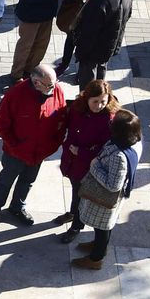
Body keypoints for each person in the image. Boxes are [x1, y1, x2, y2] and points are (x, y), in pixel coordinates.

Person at [0, 65, 68, 228]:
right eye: (49, 85)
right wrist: (14, 144)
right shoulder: (15, 95)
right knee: (5, 182)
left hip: (39, 153)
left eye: (54, 83)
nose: (53, 88)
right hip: (16, 153)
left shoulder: (57, 91)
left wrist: (54, 144)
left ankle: (17, 207)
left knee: (28, 181)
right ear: (36, 82)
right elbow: (0, 123)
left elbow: (62, 118)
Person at [71, 110, 144, 270]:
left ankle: (96, 258)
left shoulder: (119, 156)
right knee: (103, 227)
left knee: (103, 227)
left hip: (105, 199)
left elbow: (113, 185)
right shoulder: (134, 142)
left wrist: (95, 166)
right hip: (110, 198)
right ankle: (98, 245)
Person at [59, 82, 122, 245]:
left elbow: (105, 149)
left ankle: (76, 226)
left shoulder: (109, 119)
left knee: (81, 195)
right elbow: (67, 125)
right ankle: (73, 213)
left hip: (87, 166)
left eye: (103, 101)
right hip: (71, 160)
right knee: (76, 191)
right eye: (95, 101)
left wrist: (81, 152)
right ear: (86, 98)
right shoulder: (77, 108)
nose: (99, 106)